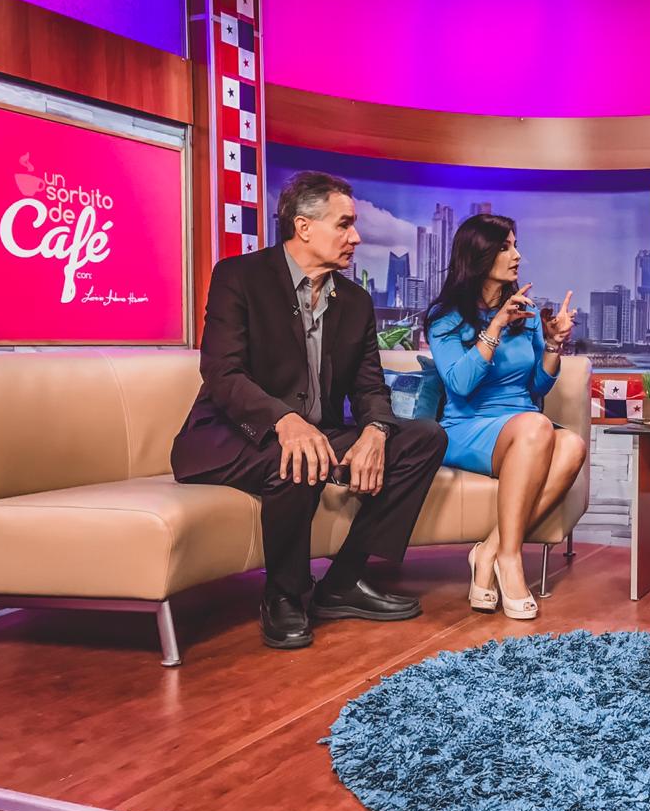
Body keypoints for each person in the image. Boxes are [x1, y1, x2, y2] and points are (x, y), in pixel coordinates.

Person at [172, 172, 448, 650]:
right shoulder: (239, 278)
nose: (355, 237)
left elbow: (369, 386)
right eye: (344, 224)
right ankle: (282, 595)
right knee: (298, 455)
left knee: (424, 438)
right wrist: (285, 421)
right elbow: (222, 372)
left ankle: (342, 582)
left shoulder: (355, 301)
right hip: (229, 436)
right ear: (303, 227)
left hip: (315, 432)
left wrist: (376, 432)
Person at [425, 214, 585, 621]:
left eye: (515, 245)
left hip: (525, 426)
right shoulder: (445, 318)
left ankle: (489, 551)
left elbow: (536, 387)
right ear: (478, 256)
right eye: (505, 247)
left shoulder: (524, 314)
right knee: (536, 426)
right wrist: (495, 327)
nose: (517, 256)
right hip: (467, 427)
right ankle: (510, 560)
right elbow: (460, 384)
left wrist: (552, 344)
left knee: (572, 445)